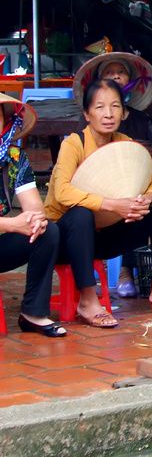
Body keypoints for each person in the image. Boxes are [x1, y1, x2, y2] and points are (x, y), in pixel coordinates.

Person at [46, 80, 152, 327]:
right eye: (100, 107)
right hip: (65, 240)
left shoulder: (124, 142)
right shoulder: (74, 144)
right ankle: (88, 300)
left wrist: (146, 198)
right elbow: (62, 192)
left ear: (123, 113)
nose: (108, 114)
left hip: (103, 237)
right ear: (87, 114)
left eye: (115, 106)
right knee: (81, 214)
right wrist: (112, 205)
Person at [74, 53, 152, 298]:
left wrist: (150, 187)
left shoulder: (140, 118)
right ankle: (126, 270)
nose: (115, 77)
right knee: (131, 202)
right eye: (109, 73)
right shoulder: (87, 127)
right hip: (105, 193)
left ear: (130, 81)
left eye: (120, 72)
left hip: (144, 182)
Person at [0, 94, 64, 337]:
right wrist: (11, 224)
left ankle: (33, 313)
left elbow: (35, 208)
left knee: (47, 231)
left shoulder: (15, 158)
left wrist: (34, 220)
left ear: (5, 121)